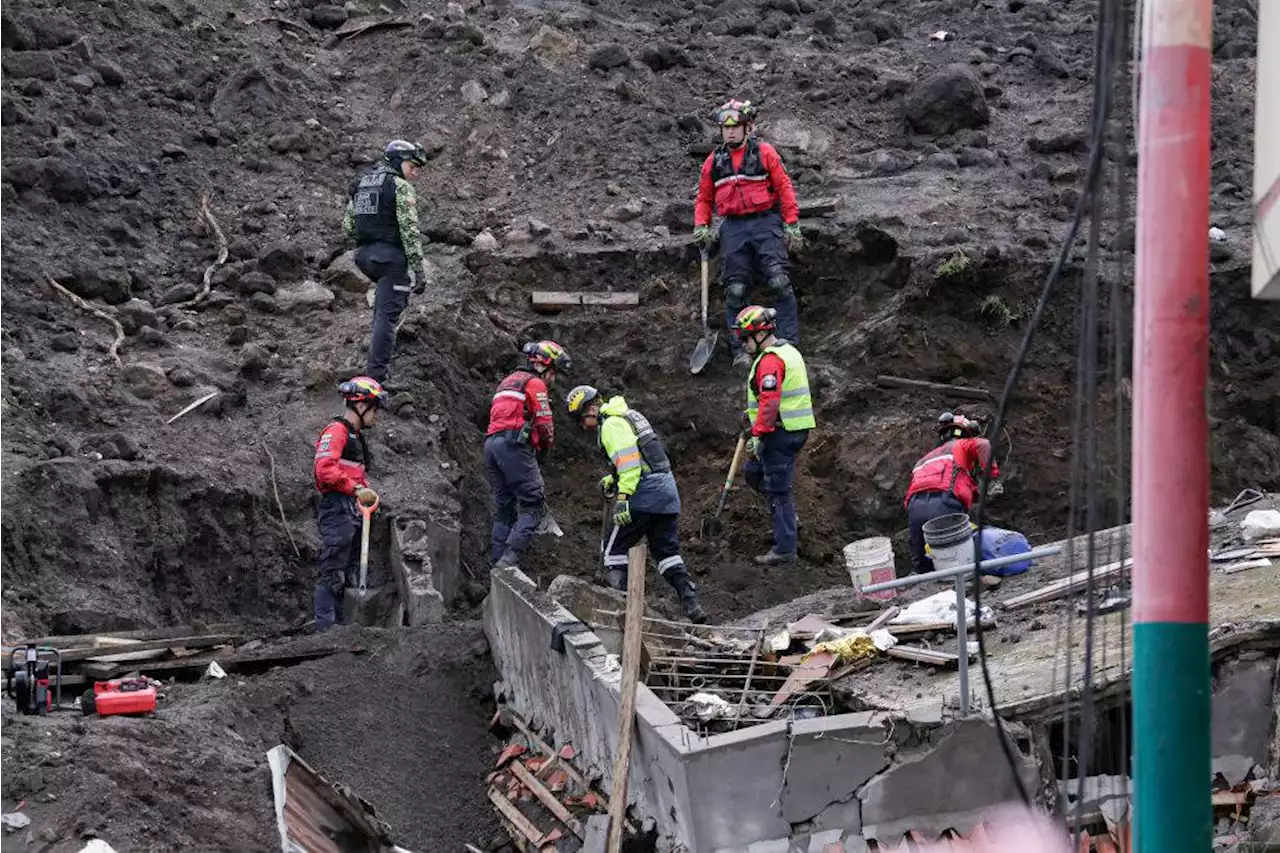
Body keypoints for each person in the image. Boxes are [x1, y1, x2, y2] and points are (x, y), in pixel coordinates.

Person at [565, 385, 708, 624]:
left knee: (613, 551)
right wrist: (613, 479)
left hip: (643, 495)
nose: (583, 426)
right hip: (667, 492)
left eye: (582, 419)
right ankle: (691, 603)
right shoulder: (629, 415)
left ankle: (620, 610)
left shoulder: (610, 424)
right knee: (667, 554)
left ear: (591, 408)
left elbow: (630, 464)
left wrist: (622, 498)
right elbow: (642, 459)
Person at [693, 99, 805, 369]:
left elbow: (784, 187)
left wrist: (791, 223)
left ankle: (788, 343)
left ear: (747, 127)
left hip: (766, 221)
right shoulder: (714, 161)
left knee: (778, 280)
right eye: (725, 128)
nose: (730, 132)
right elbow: (704, 199)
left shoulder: (764, 152)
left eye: (735, 127)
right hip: (733, 226)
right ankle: (740, 351)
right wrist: (701, 226)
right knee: (735, 289)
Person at [342, 139, 429, 383]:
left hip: (364, 257)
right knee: (387, 317)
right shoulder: (400, 187)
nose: (415, 171)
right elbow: (409, 231)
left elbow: (348, 229)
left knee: (383, 307)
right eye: (412, 165)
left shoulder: (362, 184)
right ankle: (376, 378)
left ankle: (374, 361)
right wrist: (419, 269)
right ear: (398, 162)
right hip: (390, 259)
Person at [736, 305, 814, 566]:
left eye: (745, 338)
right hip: (789, 429)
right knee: (753, 472)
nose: (743, 344)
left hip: (780, 433)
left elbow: (770, 402)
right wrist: (752, 417)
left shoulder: (770, 359)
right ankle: (788, 521)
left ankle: (785, 549)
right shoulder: (787, 351)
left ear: (760, 334)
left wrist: (757, 432)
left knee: (778, 490)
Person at [485, 340, 572, 569]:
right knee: (533, 505)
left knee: (505, 508)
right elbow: (545, 424)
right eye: (553, 373)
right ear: (544, 366)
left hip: (491, 446)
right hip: (513, 446)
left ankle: (496, 563)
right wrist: (545, 450)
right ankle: (508, 562)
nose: (552, 380)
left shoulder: (506, 382)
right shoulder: (534, 384)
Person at [312, 376, 388, 630]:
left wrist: (365, 492)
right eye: (374, 409)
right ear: (361, 405)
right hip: (337, 507)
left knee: (346, 571)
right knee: (332, 569)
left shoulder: (356, 438)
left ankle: (342, 628)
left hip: (352, 509)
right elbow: (324, 471)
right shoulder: (337, 431)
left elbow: (353, 473)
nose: (376, 416)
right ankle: (325, 628)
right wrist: (355, 489)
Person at [904, 412, 1001, 575]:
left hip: (914, 507)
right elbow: (983, 445)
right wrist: (990, 472)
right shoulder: (962, 445)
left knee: (920, 562)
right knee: (959, 554)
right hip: (945, 502)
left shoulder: (924, 459)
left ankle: (920, 577)